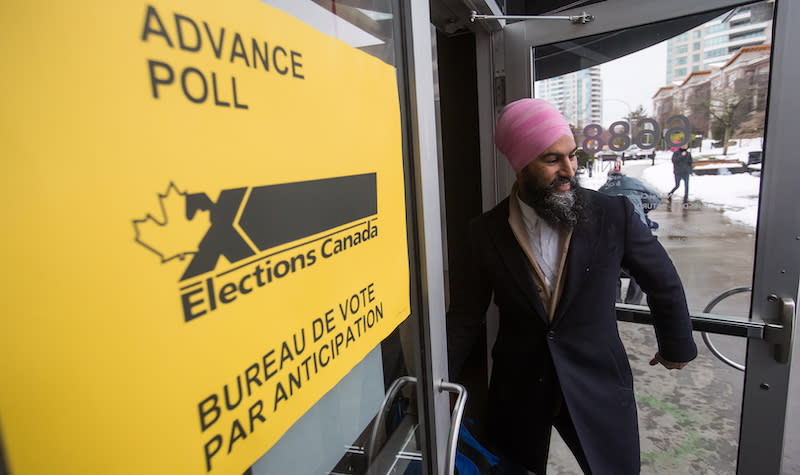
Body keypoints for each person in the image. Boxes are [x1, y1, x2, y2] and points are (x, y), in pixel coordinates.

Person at [446, 98, 697, 474]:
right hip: (519, 385)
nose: (569, 170)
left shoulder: (613, 214)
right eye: (552, 160)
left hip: (598, 380)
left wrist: (676, 345)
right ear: (520, 165)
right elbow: (466, 313)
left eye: (573, 156)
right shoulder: (483, 233)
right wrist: (437, 379)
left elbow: (662, 281)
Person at [598, 160, 662, 304]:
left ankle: (615, 303)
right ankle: (633, 303)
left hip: (611, 238)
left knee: (612, 269)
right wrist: (642, 207)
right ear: (623, 175)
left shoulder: (603, 189)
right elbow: (655, 199)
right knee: (641, 269)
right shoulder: (633, 183)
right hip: (636, 233)